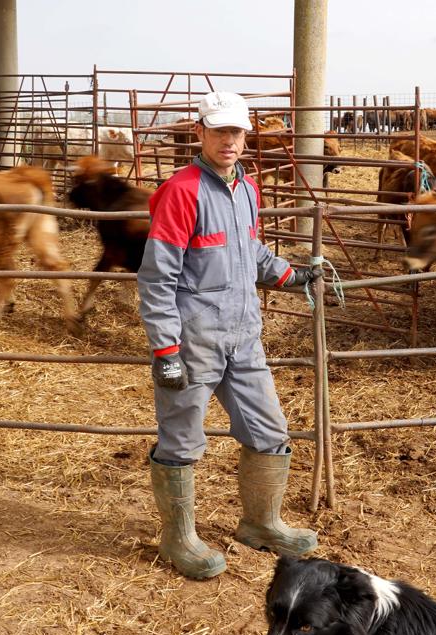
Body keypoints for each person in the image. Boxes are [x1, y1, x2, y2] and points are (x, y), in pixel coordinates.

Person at [137, 92, 320, 579]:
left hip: (244, 333)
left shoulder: (248, 189)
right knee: (181, 438)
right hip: (194, 339)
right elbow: (158, 277)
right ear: (201, 133)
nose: (229, 141)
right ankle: (178, 538)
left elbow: (251, 252)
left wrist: (291, 275)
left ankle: (260, 523)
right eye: (220, 131)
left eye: (237, 132)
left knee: (269, 428)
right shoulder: (182, 190)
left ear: (246, 136)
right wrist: (166, 349)